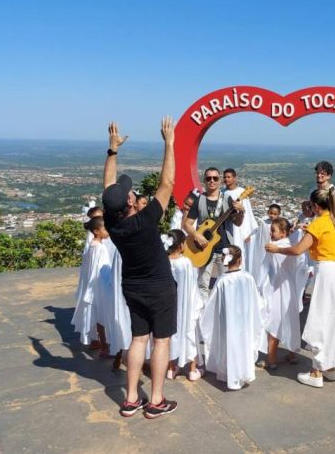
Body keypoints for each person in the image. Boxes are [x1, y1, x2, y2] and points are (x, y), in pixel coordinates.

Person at [102, 118, 178, 419]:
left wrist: (112, 151)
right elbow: (167, 183)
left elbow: (109, 189)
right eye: (130, 193)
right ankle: (155, 400)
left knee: (138, 339)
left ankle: (131, 398)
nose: (130, 193)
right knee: (161, 341)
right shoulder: (145, 222)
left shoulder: (113, 221)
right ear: (132, 204)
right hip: (159, 287)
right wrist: (169, 143)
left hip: (132, 287)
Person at [265, 188, 335, 388]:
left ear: (315, 206)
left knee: (321, 319)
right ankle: (329, 367)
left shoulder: (319, 223)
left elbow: (297, 250)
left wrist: (276, 248)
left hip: (326, 273)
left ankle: (316, 372)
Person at [200, 246, 264, 390]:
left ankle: (228, 373)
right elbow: (258, 301)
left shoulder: (222, 280)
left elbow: (211, 304)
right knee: (243, 343)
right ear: (240, 260)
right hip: (244, 321)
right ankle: (243, 371)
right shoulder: (248, 277)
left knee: (228, 343)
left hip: (227, 321)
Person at [183, 167, 245, 303]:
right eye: (208, 178)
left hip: (224, 248)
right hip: (204, 249)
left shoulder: (227, 199)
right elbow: (187, 224)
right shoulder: (199, 200)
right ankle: (203, 315)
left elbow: (238, 223)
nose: (212, 181)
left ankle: (226, 312)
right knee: (202, 285)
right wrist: (197, 235)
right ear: (204, 181)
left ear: (219, 181)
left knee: (227, 284)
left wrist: (242, 212)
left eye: (215, 178)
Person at [258, 218, 307, 370]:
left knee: (273, 322)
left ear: (283, 232)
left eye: (273, 231)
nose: (270, 234)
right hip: (291, 288)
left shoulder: (276, 247)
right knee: (291, 320)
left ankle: (271, 360)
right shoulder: (292, 246)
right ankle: (292, 354)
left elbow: (264, 266)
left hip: (278, 289)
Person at [164, 229, 204, 381]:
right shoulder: (186, 262)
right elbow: (192, 286)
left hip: (170, 307)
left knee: (171, 336)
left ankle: (171, 368)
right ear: (181, 245)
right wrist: (197, 303)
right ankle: (193, 370)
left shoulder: (164, 261)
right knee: (189, 334)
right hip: (186, 307)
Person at [72, 216, 111, 354]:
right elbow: (103, 270)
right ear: (96, 231)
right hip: (100, 287)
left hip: (93, 287)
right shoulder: (100, 248)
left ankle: (101, 343)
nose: (108, 231)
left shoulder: (92, 247)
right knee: (102, 317)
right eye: (105, 228)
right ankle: (105, 346)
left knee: (98, 316)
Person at [222, 168, 258, 266]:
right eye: (224, 177)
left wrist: (249, 233)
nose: (226, 179)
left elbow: (248, 214)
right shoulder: (222, 192)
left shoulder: (242, 192)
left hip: (240, 228)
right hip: (227, 227)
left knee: (241, 253)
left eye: (229, 177)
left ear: (235, 178)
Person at [247, 203, 281, 289]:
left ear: (279, 214)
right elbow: (256, 230)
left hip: (274, 248)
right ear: (268, 212)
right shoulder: (264, 223)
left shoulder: (280, 225)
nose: (272, 215)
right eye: (271, 213)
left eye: (275, 214)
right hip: (262, 248)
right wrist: (250, 236)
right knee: (262, 266)